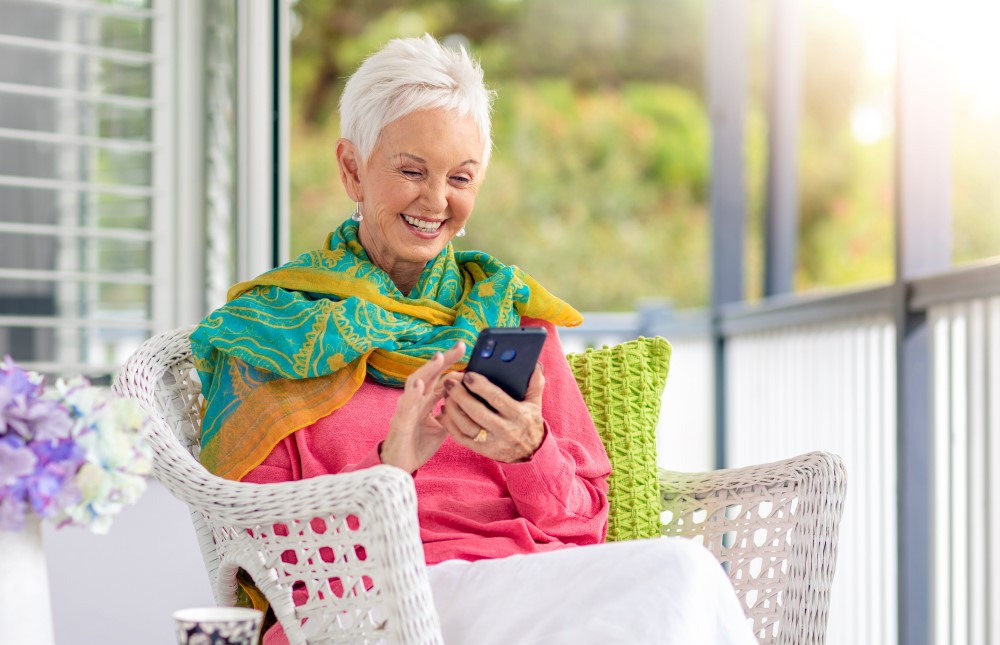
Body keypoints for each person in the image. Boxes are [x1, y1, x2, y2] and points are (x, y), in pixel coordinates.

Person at [191, 34, 756, 645]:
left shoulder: (506, 314)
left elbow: (582, 528)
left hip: (531, 590)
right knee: (680, 573)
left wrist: (529, 449)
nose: (436, 201)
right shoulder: (273, 331)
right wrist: (389, 470)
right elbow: (267, 560)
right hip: (372, 606)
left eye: (460, 177)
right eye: (411, 171)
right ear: (352, 169)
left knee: (680, 579)